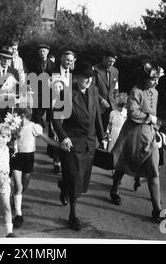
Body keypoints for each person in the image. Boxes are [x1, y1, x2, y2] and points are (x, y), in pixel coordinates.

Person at [109, 63, 166, 223]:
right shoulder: (135, 91)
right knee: (123, 164)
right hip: (132, 135)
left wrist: (156, 128)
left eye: (157, 79)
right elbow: (133, 113)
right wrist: (150, 118)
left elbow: (153, 114)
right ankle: (114, 188)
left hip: (149, 135)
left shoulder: (155, 92)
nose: (156, 82)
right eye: (152, 79)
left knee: (153, 171)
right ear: (144, 78)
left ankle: (157, 210)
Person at [52, 61, 105, 231]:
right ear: (76, 78)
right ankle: (73, 216)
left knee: (81, 179)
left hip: (89, 142)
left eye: (90, 78)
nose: (88, 81)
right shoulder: (66, 94)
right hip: (72, 143)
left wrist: (102, 137)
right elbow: (56, 120)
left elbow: (96, 116)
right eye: (85, 78)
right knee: (75, 178)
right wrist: (63, 137)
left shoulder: (94, 91)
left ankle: (63, 184)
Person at [11, 107, 60, 228]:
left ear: (22, 116)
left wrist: (60, 145)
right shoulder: (14, 126)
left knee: (24, 186)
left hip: (28, 158)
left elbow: (47, 139)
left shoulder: (34, 127)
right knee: (18, 186)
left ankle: (16, 197)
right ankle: (18, 214)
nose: (14, 119)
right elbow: (6, 139)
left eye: (16, 117)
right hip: (16, 156)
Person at [48, 50, 76, 173]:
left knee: (64, 133)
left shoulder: (73, 75)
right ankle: (56, 161)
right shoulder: (52, 72)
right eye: (67, 59)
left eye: (71, 60)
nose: (68, 62)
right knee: (54, 133)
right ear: (61, 59)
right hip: (54, 105)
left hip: (67, 107)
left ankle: (62, 158)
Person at [93, 50, 119, 131]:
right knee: (99, 129)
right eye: (110, 61)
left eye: (113, 62)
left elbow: (116, 88)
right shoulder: (95, 70)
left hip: (112, 106)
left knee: (110, 130)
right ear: (104, 58)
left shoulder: (115, 71)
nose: (111, 64)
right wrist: (101, 100)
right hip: (98, 106)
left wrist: (117, 102)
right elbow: (92, 88)